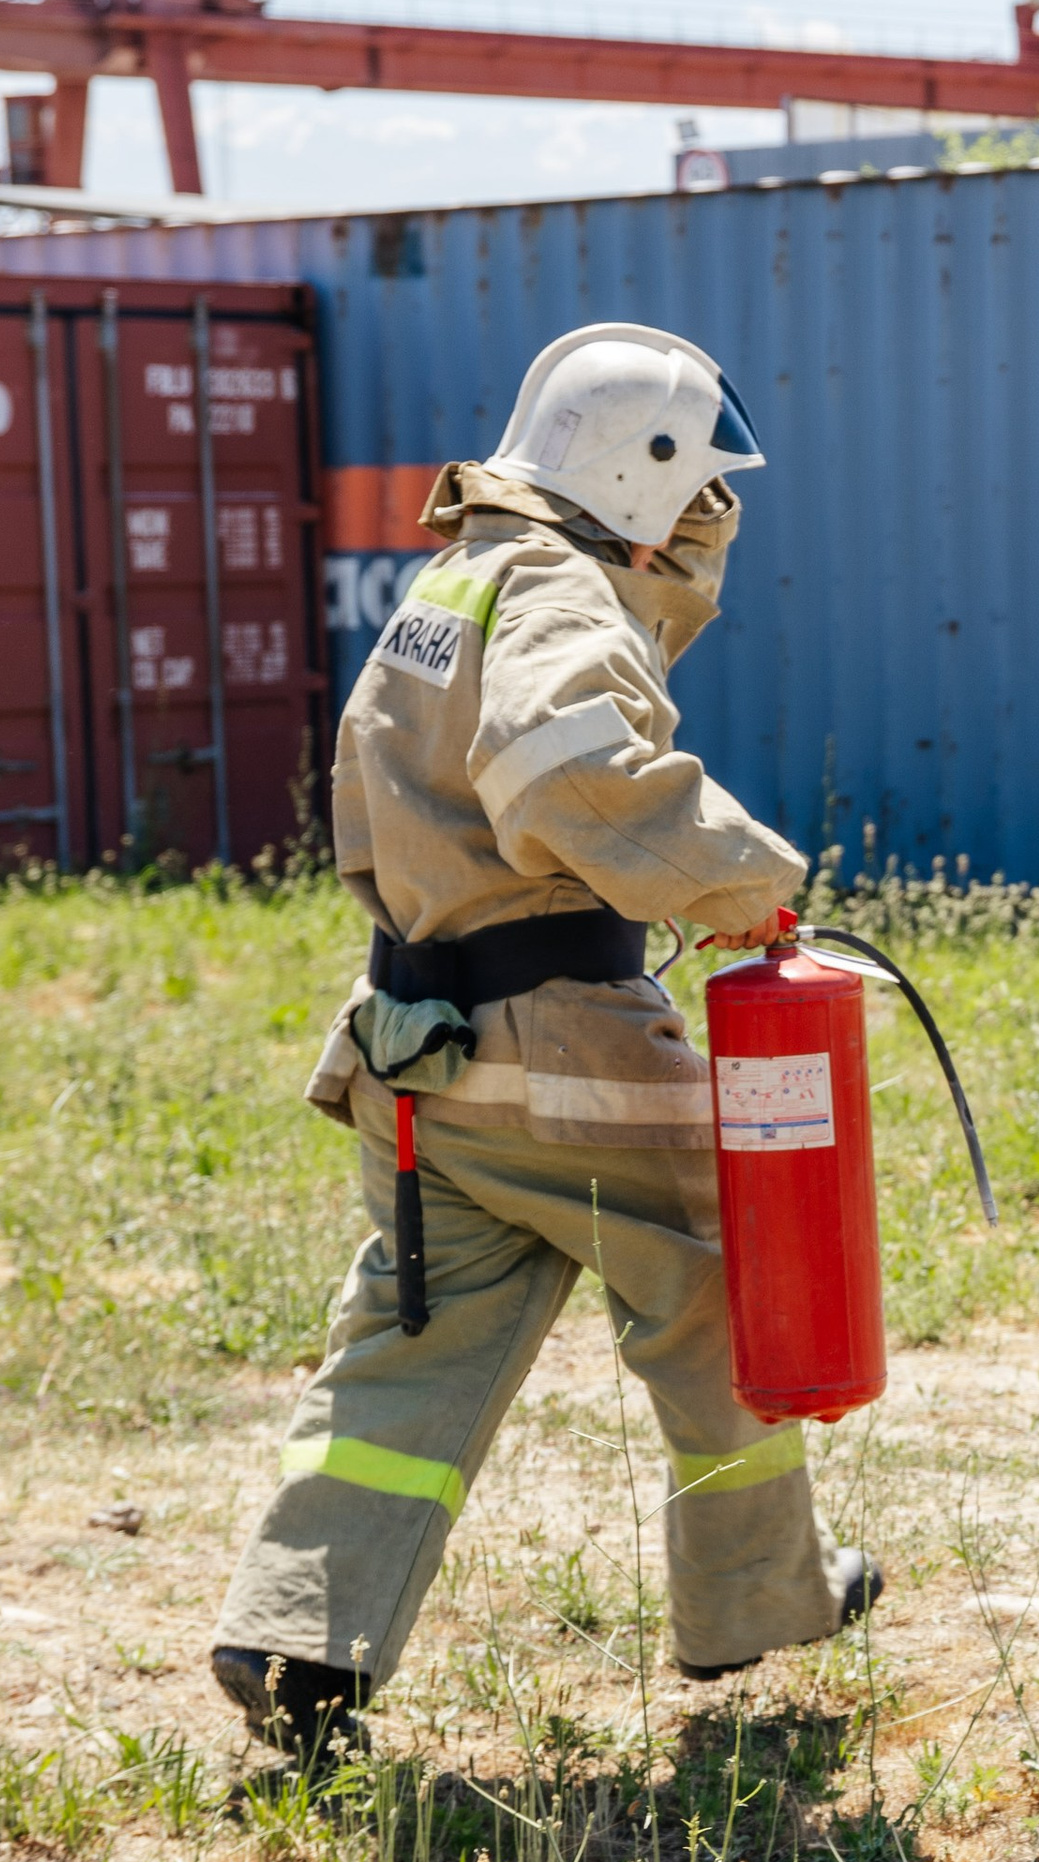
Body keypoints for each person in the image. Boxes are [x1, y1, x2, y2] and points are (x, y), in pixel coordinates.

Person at [210, 322, 877, 1758]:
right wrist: (742, 880)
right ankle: (755, 1606)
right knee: (726, 1281)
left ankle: (297, 1638)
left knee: (414, 1342)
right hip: (560, 1041)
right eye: (696, 489)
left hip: (420, 1046)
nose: (706, 519)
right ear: (636, 471)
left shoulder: (453, 580)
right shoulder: (562, 588)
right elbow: (565, 769)